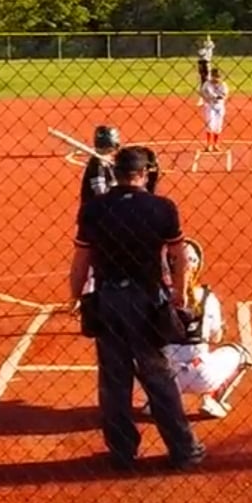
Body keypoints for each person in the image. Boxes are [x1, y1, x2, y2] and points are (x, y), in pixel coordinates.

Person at [68, 146, 205, 472]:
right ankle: (183, 451)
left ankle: (122, 453)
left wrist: (75, 296)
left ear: (116, 174)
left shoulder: (94, 209)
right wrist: (179, 291)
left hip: (108, 299)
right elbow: (178, 254)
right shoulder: (162, 207)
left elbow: (81, 259)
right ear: (144, 174)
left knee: (114, 380)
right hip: (146, 299)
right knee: (158, 375)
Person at [138, 239, 252, 420]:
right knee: (242, 353)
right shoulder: (208, 298)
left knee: (138, 352)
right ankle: (213, 399)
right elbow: (216, 337)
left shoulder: (154, 296)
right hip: (202, 374)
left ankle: (155, 399)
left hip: (162, 375)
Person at [199, 68, 229, 152]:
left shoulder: (223, 85)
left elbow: (224, 95)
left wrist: (218, 97)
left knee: (218, 126)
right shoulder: (207, 84)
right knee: (210, 125)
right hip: (209, 106)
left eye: (218, 76)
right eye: (214, 76)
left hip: (219, 106)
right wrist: (206, 99)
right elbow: (202, 92)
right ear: (211, 76)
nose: (216, 78)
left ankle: (215, 145)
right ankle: (208, 145)